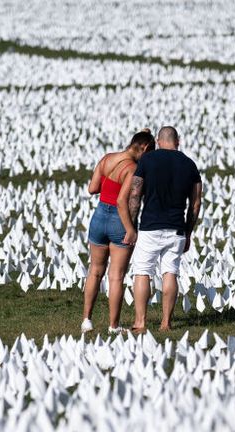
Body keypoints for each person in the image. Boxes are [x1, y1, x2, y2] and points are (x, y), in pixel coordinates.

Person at [121, 126, 202, 333]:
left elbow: (135, 196)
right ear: (178, 141)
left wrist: (131, 225)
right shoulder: (190, 165)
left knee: (142, 272)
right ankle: (166, 323)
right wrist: (188, 232)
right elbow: (195, 204)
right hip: (175, 228)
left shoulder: (147, 161)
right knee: (170, 273)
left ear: (158, 141)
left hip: (150, 227)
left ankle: (140, 322)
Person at [81, 129, 155, 334]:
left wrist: (109, 184)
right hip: (118, 220)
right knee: (116, 276)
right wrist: (131, 229)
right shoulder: (132, 169)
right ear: (145, 148)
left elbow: (92, 188)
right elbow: (122, 202)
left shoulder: (107, 158)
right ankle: (113, 326)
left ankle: (86, 320)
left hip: (98, 217)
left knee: (94, 271)